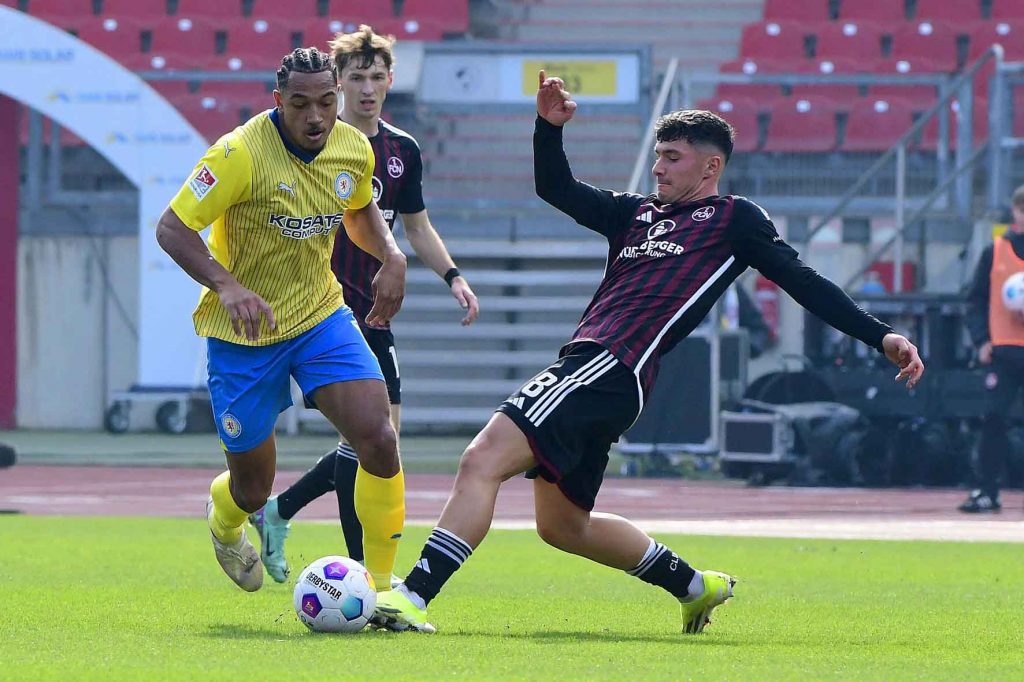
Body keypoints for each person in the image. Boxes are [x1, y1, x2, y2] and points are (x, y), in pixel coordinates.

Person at [371, 71, 926, 634]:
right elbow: (555, 188)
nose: (658, 167)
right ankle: (695, 586)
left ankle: (412, 596)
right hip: (607, 376)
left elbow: (802, 280)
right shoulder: (632, 214)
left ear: (710, 167)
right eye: (658, 155)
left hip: (608, 364)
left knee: (480, 460)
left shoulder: (734, 219)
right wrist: (548, 127)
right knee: (563, 527)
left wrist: (879, 335)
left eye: (673, 157)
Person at [155, 47, 408, 592]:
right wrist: (226, 284)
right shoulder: (236, 154)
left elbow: (359, 209)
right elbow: (172, 228)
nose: (316, 117)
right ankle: (225, 522)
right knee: (252, 487)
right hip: (244, 334)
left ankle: (385, 591)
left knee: (379, 438)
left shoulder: (352, 147)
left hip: (320, 316)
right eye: (300, 104)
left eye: (325, 102)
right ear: (278, 101)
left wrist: (391, 253)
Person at [248, 26, 480, 584]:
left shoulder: (403, 151)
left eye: (378, 77)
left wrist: (452, 275)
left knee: (376, 441)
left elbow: (416, 227)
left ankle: (284, 514)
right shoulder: (313, 145)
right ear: (337, 84)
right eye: (357, 77)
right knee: (372, 441)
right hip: (323, 310)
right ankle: (361, 572)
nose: (369, 88)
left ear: (391, 81)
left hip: (374, 312)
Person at [959, 185, 1024, 513]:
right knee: (993, 418)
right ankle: (987, 491)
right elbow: (975, 300)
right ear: (1015, 211)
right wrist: (982, 340)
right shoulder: (995, 251)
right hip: (1004, 351)